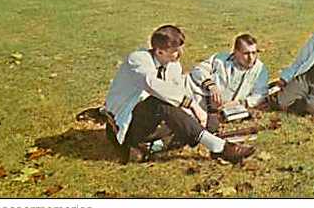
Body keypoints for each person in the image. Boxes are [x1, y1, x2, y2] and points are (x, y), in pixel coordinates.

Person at [103, 24, 255, 163]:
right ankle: (219, 148)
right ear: (159, 51)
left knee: (208, 123)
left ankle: (152, 146)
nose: (180, 54)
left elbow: (178, 92)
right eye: (175, 51)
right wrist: (193, 105)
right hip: (128, 124)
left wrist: (195, 115)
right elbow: (155, 87)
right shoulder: (138, 60)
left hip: (156, 123)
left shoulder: (173, 66)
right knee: (159, 103)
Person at [187, 33, 269, 132]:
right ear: (235, 52)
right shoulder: (220, 59)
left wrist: (240, 103)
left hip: (224, 110)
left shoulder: (260, 69)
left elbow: (260, 94)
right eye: (246, 53)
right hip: (199, 96)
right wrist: (211, 86)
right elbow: (198, 70)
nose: (251, 58)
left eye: (254, 53)